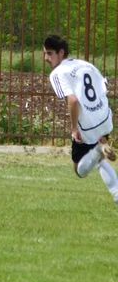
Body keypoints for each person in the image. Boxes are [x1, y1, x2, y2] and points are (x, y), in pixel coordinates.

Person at [43, 35, 118, 204]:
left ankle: (98, 150)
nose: (46, 58)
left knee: (80, 170)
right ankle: (117, 194)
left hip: (88, 127)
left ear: (61, 53)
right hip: (105, 118)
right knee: (99, 160)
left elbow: (73, 100)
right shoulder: (85, 64)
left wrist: (74, 128)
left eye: (49, 53)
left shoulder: (57, 73)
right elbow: (104, 88)